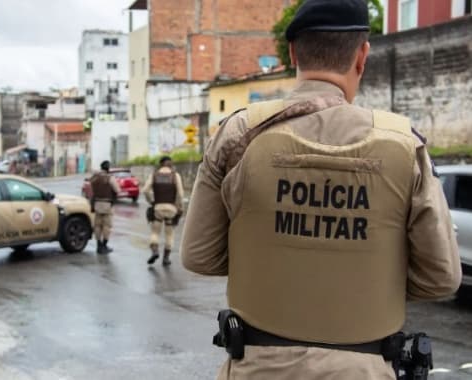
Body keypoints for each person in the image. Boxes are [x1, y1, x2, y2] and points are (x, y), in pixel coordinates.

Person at [180, 0, 462, 379]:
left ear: (293, 52)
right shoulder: (405, 147)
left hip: (260, 366)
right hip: (363, 368)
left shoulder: (237, 136)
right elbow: (440, 278)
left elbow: (199, 256)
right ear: (362, 56)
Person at [142, 156, 184, 266]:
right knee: (169, 234)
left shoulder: (154, 175)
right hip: (171, 208)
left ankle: (155, 251)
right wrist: (180, 206)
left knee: (155, 232)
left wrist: (151, 201)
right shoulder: (175, 176)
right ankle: (166, 258)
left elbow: (145, 190)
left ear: (160, 164)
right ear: (170, 164)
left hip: (158, 208)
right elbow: (180, 194)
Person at [90, 160, 120, 254]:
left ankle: (98, 245)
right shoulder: (110, 178)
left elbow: (91, 186)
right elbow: (117, 190)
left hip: (96, 204)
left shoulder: (95, 177)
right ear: (108, 168)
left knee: (97, 225)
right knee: (107, 226)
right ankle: (104, 245)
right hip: (107, 204)